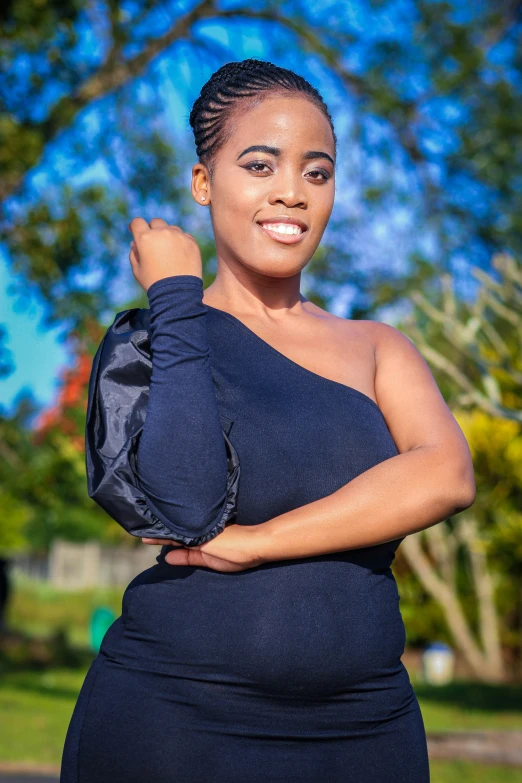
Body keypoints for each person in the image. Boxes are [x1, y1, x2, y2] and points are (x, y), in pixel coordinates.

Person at [60, 58, 476, 782]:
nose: (292, 192)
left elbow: (445, 473)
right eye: (260, 164)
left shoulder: (378, 346)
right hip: (177, 723)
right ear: (202, 183)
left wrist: (259, 542)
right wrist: (176, 295)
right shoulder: (158, 339)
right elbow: (185, 500)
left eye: (318, 173)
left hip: (366, 728)